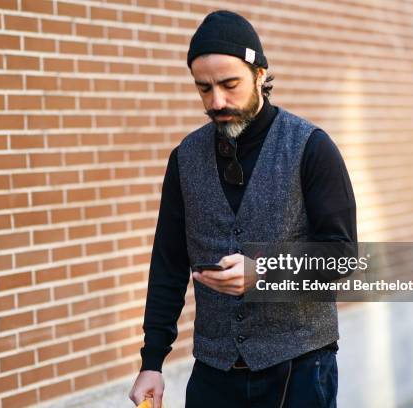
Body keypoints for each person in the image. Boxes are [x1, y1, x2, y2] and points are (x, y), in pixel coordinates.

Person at [129, 9, 356, 408]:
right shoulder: (184, 159)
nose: (217, 101)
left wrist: (265, 272)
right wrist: (152, 362)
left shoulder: (312, 148)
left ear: (260, 75)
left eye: (229, 84)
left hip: (300, 370)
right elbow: (167, 264)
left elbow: (343, 259)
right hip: (214, 375)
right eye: (204, 89)